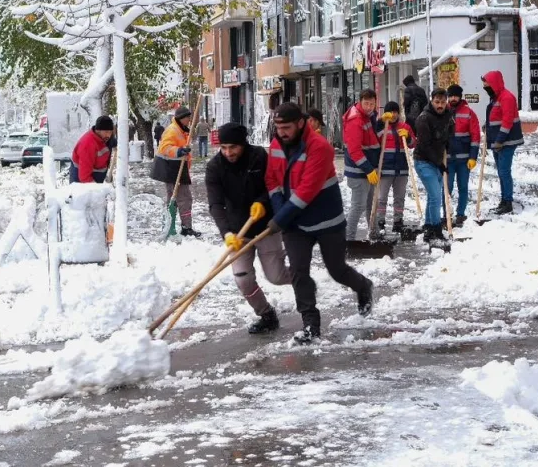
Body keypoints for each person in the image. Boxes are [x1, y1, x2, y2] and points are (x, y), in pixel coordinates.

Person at [266, 102, 374, 344]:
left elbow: (307, 190)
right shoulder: (276, 145)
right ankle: (310, 325)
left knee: (336, 270)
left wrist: (279, 219)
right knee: (298, 271)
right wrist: (277, 210)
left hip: (326, 220)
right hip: (295, 224)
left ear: (301, 123)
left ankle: (363, 285)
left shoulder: (320, 147)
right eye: (278, 127)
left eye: (287, 127)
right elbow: (271, 179)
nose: (282, 132)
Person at [205, 122, 293, 334]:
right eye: (224, 148)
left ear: (243, 144)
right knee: (242, 278)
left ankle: (302, 278)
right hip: (237, 230)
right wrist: (226, 232)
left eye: (233, 147)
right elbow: (216, 204)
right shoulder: (214, 167)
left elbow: (271, 185)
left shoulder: (259, 157)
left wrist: (262, 202)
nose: (228, 152)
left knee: (276, 276)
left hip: (265, 226)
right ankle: (266, 314)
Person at [151, 106, 201, 237]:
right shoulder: (172, 130)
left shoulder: (180, 129)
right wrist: (179, 151)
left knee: (172, 199)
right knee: (184, 199)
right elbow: (165, 148)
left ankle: (169, 226)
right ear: (181, 119)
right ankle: (186, 228)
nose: (189, 120)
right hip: (172, 169)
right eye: (188, 118)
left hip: (175, 168)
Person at [414, 88, 454, 242]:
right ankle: (436, 229)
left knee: (433, 196)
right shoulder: (423, 118)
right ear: (431, 101)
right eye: (437, 102)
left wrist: (448, 145)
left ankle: (429, 228)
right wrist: (439, 163)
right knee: (437, 196)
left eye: (443, 102)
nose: (440, 105)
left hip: (437, 160)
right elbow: (425, 145)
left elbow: (449, 135)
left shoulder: (448, 115)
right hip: (424, 161)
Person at [342, 89, 382, 240]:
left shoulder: (367, 116)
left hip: (369, 169)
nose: (369, 107)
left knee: (371, 205)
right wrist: (368, 169)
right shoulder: (355, 120)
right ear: (360, 101)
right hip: (358, 171)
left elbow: (371, 137)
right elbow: (354, 150)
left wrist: (381, 120)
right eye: (366, 103)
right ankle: (348, 239)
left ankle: (375, 234)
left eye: (372, 104)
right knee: (358, 206)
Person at [483, 70, 523, 215]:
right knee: (501, 172)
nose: (485, 88)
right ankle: (503, 200)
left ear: (494, 84)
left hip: (507, 141)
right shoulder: (495, 98)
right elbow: (495, 118)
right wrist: (486, 127)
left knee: (504, 171)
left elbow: (507, 121)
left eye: (487, 85)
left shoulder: (507, 97)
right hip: (497, 141)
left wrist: (499, 140)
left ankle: (507, 201)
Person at [375, 102, 415, 234]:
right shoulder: (381, 127)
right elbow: (373, 139)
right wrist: (380, 121)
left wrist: (408, 137)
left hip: (401, 168)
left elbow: (413, 144)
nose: (393, 115)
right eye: (390, 112)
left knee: (399, 197)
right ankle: (380, 222)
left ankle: (398, 222)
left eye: (395, 112)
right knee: (382, 198)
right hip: (385, 168)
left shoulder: (405, 127)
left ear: (398, 113)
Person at [446, 85, 481, 226]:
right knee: (446, 188)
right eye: (451, 96)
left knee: (463, 187)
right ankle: (446, 214)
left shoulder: (469, 113)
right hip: (447, 159)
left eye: (455, 96)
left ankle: (461, 214)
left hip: (464, 159)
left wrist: (473, 157)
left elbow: (475, 136)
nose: (453, 98)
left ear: (460, 96)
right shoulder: (443, 112)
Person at [70, 116, 114, 183]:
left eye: (110, 132)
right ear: (98, 130)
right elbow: (85, 177)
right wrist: (96, 190)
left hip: (96, 177)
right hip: (82, 181)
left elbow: (112, 142)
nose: (109, 135)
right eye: (106, 132)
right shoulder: (88, 145)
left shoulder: (103, 138)